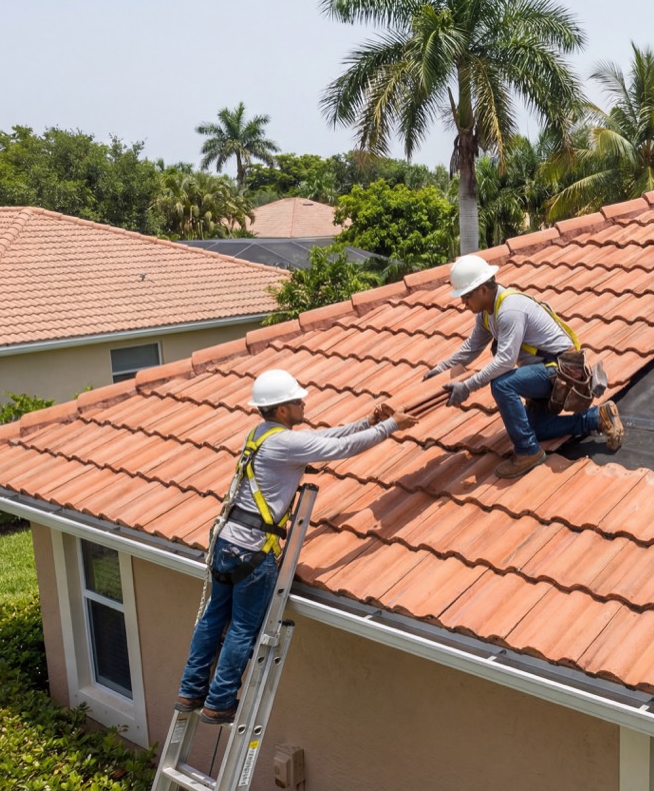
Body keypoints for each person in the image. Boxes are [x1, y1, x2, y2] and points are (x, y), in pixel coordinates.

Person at [176, 369, 417, 724]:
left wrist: (366, 420)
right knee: (242, 629)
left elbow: (322, 437)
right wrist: (389, 426)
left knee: (214, 619)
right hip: (254, 552)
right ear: (282, 410)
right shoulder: (285, 443)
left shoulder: (262, 434)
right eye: (297, 400)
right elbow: (338, 448)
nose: (304, 402)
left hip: (227, 542)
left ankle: (190, 691)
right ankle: (219, 701)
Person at [424, 254, 624, 478]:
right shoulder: (487, 314)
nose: (463, 303)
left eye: (467, 296)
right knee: (537, 429)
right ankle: (598, 417)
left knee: (501, 384)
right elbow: (472, 347)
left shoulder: (509, 310)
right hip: (545, 371)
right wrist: (440, 369)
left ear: (483, 289)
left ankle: (527, 451)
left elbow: (505, 361)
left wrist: (468, 386)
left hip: (561, 372)